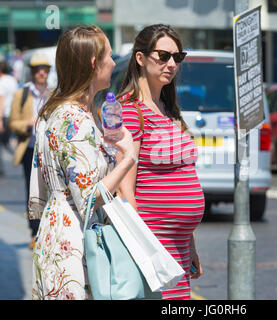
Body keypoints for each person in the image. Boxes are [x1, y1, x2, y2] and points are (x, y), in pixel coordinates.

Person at [27, 25, 136, 300]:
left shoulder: (55, 110)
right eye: (109, 56)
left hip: (58, 231)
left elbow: (41, 186)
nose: (113, 62)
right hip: (74, 243)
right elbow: (88, 200)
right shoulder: (75, 119)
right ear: (93, 63)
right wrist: (127, 159)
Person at [117, 24, 204, 300]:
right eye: (163, 56)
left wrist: (189, 242)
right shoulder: (130, 111)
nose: (171, 64)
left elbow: (183, 176)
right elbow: (124, 191)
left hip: (178, 245)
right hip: (153, 245)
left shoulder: (169, 110)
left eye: (177, 58)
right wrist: (143, 249)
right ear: (140, 58)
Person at [8, 52, 51, 249]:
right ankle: (35, 232)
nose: (41, 73)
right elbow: (12, 123)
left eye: (45, 69)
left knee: (51, 190)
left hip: (49, 150)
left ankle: (48, 230)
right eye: (38, 69)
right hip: (29, 149)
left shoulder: (53, 93)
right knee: (32, 191)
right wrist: (27, 124)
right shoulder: (22, 94)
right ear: (32, 72)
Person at [0, 60, 18, 176]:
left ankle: (18, 155)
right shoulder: (13, 80)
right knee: (6, 142)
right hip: (14, 114)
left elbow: (2, 100)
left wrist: (0, 119)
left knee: (3, 143)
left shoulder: (2, 82)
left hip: (5, 115)